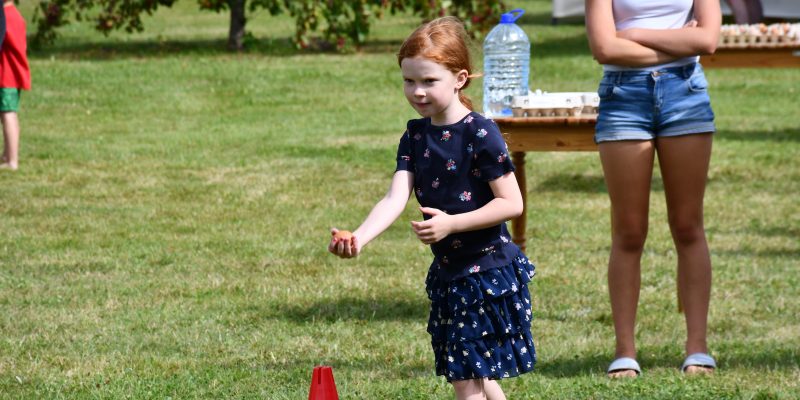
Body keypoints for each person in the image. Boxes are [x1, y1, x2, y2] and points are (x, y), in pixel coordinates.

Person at [328, 16, 536, 400]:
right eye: (409, 81)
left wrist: (452, 224)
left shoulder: (480, 133)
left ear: (459, 78)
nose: (417, 91)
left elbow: (512, 203)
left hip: (487, 274)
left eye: (428, 81)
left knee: (466, 376)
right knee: (475, 370)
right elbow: (394, 198)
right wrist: (359, 237)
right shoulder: (415, 135)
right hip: (449, 274)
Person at [585, 0, 720, 378]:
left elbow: (708, 40)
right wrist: (680, 42)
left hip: (686, 91)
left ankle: (698, 348)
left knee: (688, 226)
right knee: (629, 231)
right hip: (623, 96)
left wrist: (633, 34)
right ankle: (624, 352)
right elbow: (604, 48)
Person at [0, 0, 30, 171]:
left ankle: (12, 161)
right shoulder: (15, 15)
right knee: (9, 113)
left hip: (6, 76)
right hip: (11, 77)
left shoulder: (6, 16)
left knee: (8, 114)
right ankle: (7, 155)